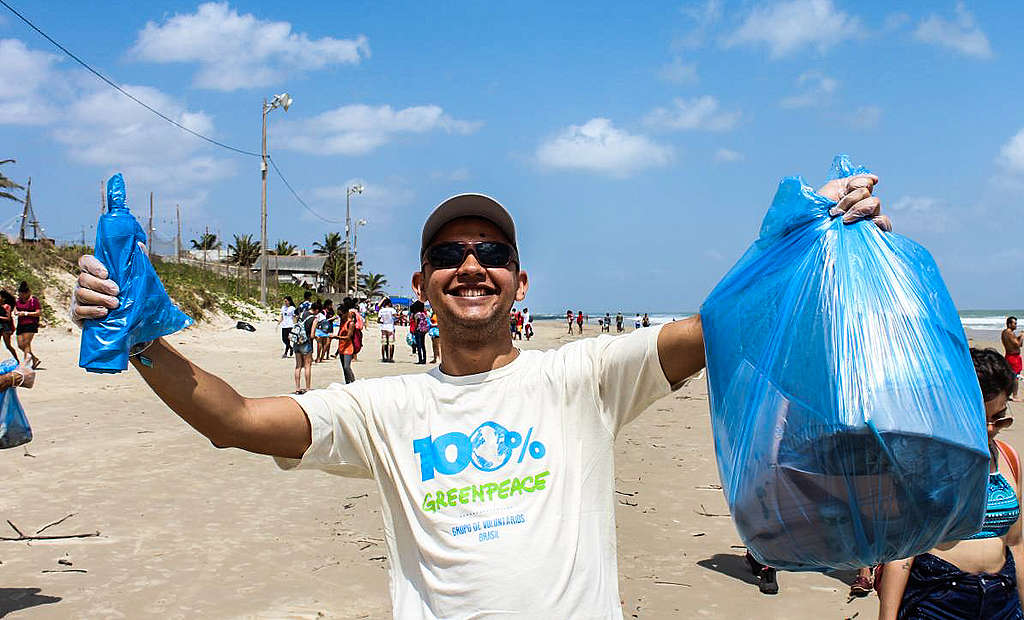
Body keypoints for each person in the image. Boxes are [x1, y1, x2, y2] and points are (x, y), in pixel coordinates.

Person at [72, 176, 887, 617]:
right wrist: (142, 335)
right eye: (450, 254)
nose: (472, 265)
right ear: (423, 284)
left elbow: (720, 327)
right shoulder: (383, 411)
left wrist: (818, 244)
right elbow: (238, 423)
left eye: (491, 251)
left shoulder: (584, 377)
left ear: (519, 281)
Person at [878, 348, 1022, 620]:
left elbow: (1016, 545)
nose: (990, 429)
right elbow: (902, 554)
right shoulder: (923, 460)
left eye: (1000, 418)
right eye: (981, 419)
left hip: (1002, 602)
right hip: (938, 599)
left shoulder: (1008, 458)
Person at [292, 301, 317, 394]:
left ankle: (297, 388)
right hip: (306, 343)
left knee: (298, 366)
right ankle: (307, 388)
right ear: (317, 310)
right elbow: (312, 335)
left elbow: (295, 322)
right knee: (307, 366)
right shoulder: (314, 318)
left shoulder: (302, 314)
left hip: (296, 341)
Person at [14, 281, 41, 369]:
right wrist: (16, 312)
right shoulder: (18, 301)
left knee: (26, 344)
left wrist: (25, 313)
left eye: (22, 294)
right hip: (21, 324)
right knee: (20, 345)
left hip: (31, 324)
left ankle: (26, 363)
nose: (21, 296)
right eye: (20, 294)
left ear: (27, 293)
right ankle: (34, 358)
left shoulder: (34, 301)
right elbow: (15, 309)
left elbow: (38, 313)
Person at [334, 308, 358, 384]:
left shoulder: (350, 323)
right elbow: (340, 334)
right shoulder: (342, 322)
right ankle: (347, 383)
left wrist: (336, 337)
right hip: (341, 347)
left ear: (346, 314)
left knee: (347, 367)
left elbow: (348, 337)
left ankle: (354, 383)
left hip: (348, 348)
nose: (340, 317)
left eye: (341, 315)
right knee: (344, 369)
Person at [1004, 316, 1022, 400]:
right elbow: (1018, 344)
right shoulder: (1009, 333)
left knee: (1010, 375)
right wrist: (1022, 336)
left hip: (1010, 356)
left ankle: (1008, 394)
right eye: (1014, 323)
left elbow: (1016, 343)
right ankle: (1014, 396)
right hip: (1013, 358)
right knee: (1015, 376)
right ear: (1009, 324)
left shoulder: (1006, 332)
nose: (1016, 325)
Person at [0, 289, 18, 361]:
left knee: (8, 345)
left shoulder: (6, 306)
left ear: (3, 298)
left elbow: (8, 318)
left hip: (6, 327)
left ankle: (17, 361)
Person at [378, 298, 396, 362]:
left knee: (384, 343)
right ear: (389, 303)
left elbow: (378, 320)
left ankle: (384, 358)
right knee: (391, 343)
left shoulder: (381, 310)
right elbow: (395, 317)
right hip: (390, 327)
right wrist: (402, 317)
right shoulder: (392, 310)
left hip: (383, 328)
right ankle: (390, 358)